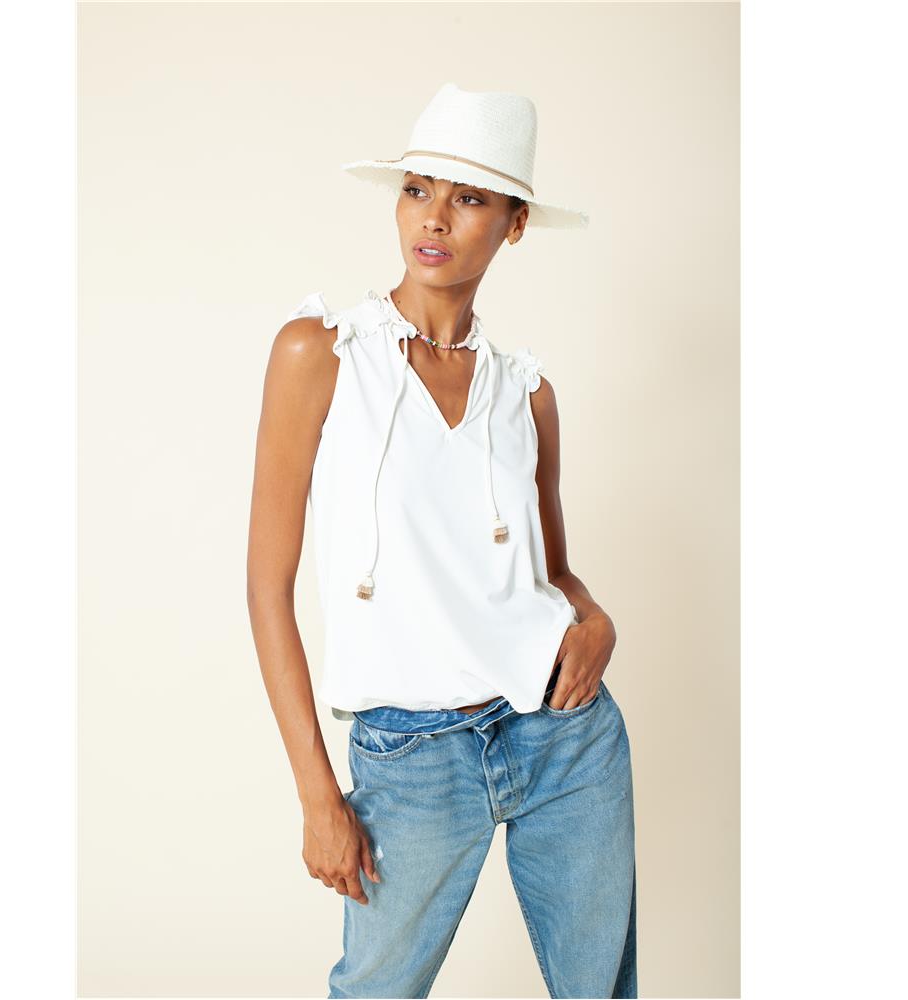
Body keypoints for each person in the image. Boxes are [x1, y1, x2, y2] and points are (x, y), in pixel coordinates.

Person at [248, 83, 637, 999]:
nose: (433, 217)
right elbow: (267, 589)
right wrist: (317, 795)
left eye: (468, 198)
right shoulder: (320, 353)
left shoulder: (527, 394)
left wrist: (597, 621)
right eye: (418, 189)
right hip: (410, 757)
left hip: (563, 736)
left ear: (515, 223)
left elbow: (553, 571)